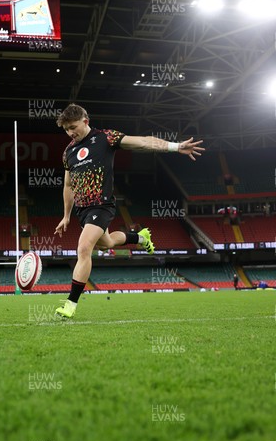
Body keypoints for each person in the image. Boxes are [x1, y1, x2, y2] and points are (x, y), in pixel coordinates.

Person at [53, 103, 205, 319]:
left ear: (85, 121)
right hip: (82, 210)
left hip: (102, 205)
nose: (70, 132)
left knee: (84, 247)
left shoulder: (106, 138)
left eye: (73, 127)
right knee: (107, 243)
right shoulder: (68, 151)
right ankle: (140, 238)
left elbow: (142, 142)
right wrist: (66, 215)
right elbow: (68, 185)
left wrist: (174, 147)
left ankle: (71, 304)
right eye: (66, 129)